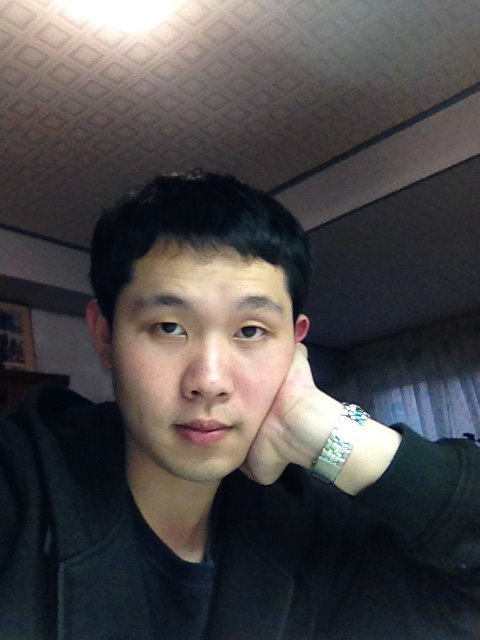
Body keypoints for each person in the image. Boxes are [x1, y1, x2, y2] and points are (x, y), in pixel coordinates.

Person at [1, 169, 479, 640]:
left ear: (294, 344)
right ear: (105, 336)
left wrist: (333, 432)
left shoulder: (316, 529)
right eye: (169, 327)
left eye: (250, 331)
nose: (209, 382)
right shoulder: (22, 483)